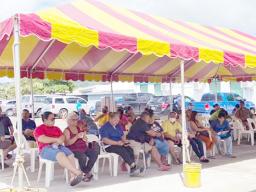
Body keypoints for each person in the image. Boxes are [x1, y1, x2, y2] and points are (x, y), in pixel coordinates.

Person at [34, 111, 84, 186]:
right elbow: (42, 139)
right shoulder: (39, 129)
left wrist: (59, 141)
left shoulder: (56, 128)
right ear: (45, 120)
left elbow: (62, 136)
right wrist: (56, 140)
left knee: (70, 154)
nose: (54, 120)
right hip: (45, 149)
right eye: (52, 119)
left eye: (54, 118)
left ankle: (73, 177)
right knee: (60, 154)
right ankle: (77, 172)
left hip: (58, 146)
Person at [99, 112, 143, 177]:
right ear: (110, 119)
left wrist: (125, 141)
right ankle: (133, 166)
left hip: (119, 144)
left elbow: (122, 135)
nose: (117, 122)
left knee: (129, 149)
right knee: (122, 150)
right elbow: (105, 140)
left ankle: (132, 169)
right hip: (108, 146)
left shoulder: (118, 126)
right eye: (115, 120)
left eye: (118, 120)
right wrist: (117, 143)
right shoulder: (104, 127)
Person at [64, 112, 98, 182]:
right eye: (74, 120)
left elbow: (85, 139)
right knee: (83, 157)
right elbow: (67, 143)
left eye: (77, 119)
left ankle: (85, 171)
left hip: (83, 147)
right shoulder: (66, 130)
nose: (76, 121)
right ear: (69, 121)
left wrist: (84, 138)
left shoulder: (78, 128)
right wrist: (76, 137)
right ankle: (86, 173)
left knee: (94, 153)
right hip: (73, 149)